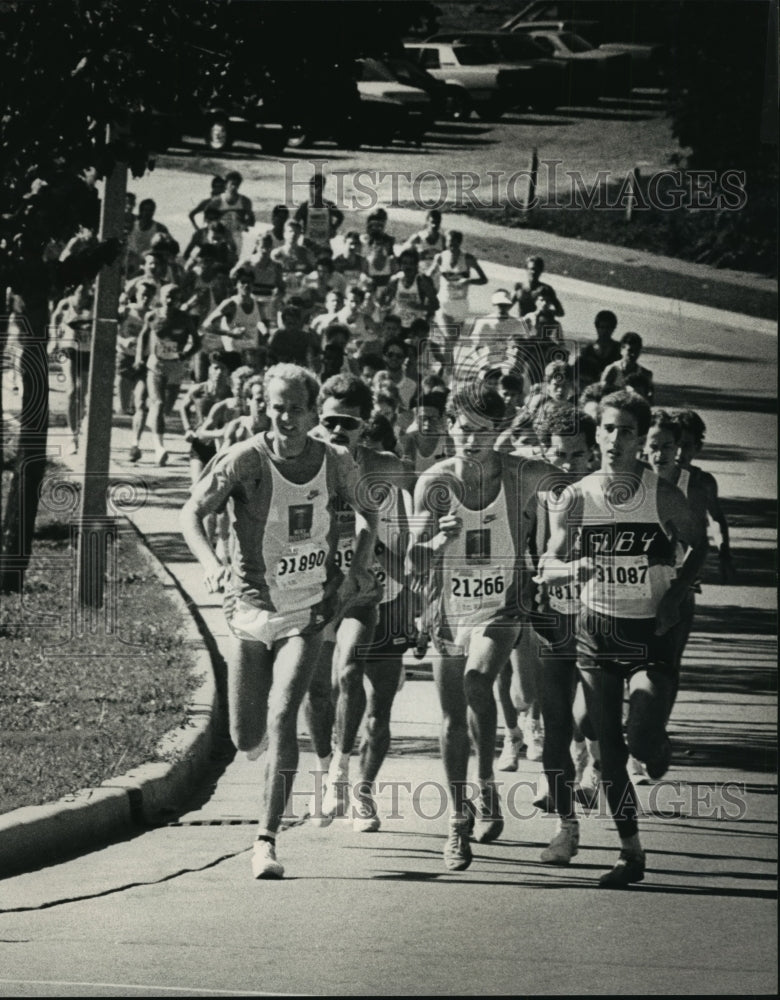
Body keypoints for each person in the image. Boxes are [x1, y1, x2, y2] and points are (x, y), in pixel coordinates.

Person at [180, 363, 378, 879]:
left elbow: (368, 514)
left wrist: (356, 568)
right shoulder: (246, 458)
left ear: (314, 412)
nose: (284, 416)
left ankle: (265, 841)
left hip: (306, 610)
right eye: (276, 406)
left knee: (284, 711)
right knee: (247, 737)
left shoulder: (334, 460)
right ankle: (262, 750)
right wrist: (211, 565)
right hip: (250, 608)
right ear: (263, 408)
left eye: (295, 407)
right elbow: (191, 514)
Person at [539, 390, 706, 887]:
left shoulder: (663, 494)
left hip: (651, 630)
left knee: (643, 733)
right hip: (597, 629)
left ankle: (656, 748)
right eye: (607, 429)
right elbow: (550, 560)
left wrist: (676, 593)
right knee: (608, 747)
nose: (614, 440)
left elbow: (699, 544)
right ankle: (630, 850)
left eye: (625, 431)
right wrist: (569, 568)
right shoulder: (576, 496)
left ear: (641, 438)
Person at [409, 381, 551, 871]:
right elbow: (412, 560)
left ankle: (486, 780)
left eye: (483, 431)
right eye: (463, 429)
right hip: (449, 612)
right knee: (452, 719)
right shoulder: (433, 482)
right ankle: (458, 817)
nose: (471, 440)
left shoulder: (522, 474)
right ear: (450, 426)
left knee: (478, 678)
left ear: (500, 430)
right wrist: (432, 543)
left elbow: (580, 487)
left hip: (503, 608)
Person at [306, 375, 411, 831]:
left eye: (346, 422)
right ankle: (328, 772)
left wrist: (409, 575)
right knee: (318, 690)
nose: (336, 429)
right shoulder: (306, 459)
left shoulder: (388, 467)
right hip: (323, 590)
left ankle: (360, 790)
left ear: (364, 424)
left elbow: (411, 529)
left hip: (381, 592)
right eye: (328, 419)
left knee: (374, 699)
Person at [527, 405, 600, 862]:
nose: (568, 466)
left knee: (586, 719)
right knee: (554, 725)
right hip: (552, 618)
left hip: (600, 622)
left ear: (593, 453)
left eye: (577, 456)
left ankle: (584, 753)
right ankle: (566, 828)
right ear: (544, 452)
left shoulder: (608, 494)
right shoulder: (535, 494)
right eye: (559, 455)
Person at [131, 283, 199, 466]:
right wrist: (139, 357)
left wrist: (185, 355)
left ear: (179, 300)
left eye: (174, 297)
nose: (169, 300)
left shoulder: (185, 318)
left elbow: (197, 342)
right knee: (159, 403)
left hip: (176, 367)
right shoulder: (152, 316)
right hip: (156, 365)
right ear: (161, 297)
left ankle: (154, 424)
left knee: (165, 410)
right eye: (167, 296)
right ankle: (159, 449)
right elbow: (143, 336)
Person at [673, 409, 736, 584]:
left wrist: (724, 553)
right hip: (657, 559)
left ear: (697, 448)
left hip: (690, 560)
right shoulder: (653, 478)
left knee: (684, 606)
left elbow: (715, 518)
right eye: (675, 444)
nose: (679, 453)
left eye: (686, 445)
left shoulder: (704, 483)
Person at [51, 283, 94, 454]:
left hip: (87, 350)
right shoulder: (66, 303)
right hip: (69, 348)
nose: (83, 297)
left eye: (86, 293)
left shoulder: (95, 303)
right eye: (80, 293)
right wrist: (53, 338)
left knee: (82, 394)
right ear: (74, 292)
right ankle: (72, 436)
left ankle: (79, 423)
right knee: (72, 389)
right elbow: (55, 317)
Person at [176, 352, 232, 483]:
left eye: (222, 369)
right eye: (215, 368)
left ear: (228, 372)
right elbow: (183, 407)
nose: (218, 372)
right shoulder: (198, 389)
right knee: (197, 487)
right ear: (209, 369)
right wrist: (188, 429)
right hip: (200, 444)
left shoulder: (231, 394)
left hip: (222, 446)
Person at [428, 230, 487, 344]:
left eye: (455, 243)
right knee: (448, 339)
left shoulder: (468, 259)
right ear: (446, 243)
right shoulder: (440, 257)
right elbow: (428, 275)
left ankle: (446, 361)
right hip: (444, 303)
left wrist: (469, 281)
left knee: (452, 342)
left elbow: (483, 279)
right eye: (450, 243)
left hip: (460, 305)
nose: (452, 246)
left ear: (460, 243)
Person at [203, 269, 266, 371]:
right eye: (242, 282)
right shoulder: (230, 304)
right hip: (233, 356)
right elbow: (206, 326)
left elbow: (260, 326)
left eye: (249, 282)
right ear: (236, 285)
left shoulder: (256, 303)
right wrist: (229, 333)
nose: (246, 285)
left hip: (251, 355)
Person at [115, 279, 156, 416]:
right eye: (143, 294)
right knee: (123, 406)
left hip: (144, 358)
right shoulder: (126, 311)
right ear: (137, 294)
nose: (145, 298)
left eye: (149, 295)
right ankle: (123, 413)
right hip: (125, 356)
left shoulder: (154, 315)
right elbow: (110, 332)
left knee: (141, 401)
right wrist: (123, 340)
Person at [380, 248, 439, 336]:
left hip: (416, 328)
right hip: (397, 327)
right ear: (400, 265)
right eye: (405, 263)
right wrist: (387, 305)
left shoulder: (422, 281)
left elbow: (435, 305)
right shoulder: (396, 280)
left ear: (416, 265)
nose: (408, 267)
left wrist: (420, 307)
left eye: (411, 263)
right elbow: (383, 299)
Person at [206, 170, 255, 256]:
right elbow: (207, 219)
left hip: (236, 235)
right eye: (232, 184)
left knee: (233, 260)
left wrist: (244, 224)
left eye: (237, 184)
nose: (234, 187)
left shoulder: (245, 201)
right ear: (226, 184)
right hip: (220, 235)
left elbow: (252, 221)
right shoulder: (217, 201)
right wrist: (216, 225)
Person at [294, 173, 344, 255]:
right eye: (315, 186)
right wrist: (301, 231)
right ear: (310, 187)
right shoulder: (305, 206)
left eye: (321, 186)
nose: (318, 189)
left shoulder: (329, 205)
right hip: (308, 243)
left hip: (324, 243)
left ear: (323, 187)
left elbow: (340, 216)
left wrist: (333, 228)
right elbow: (295, 221)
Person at [601, 331, 654, 402]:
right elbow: (600, 395)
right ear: (621, 350)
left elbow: (649, 402)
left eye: (637, 351)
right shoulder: (612, 370)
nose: (633, 354)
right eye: (630, 350)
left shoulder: (645, 374)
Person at [125, 199, 171, 276]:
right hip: (131, 263)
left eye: (151, 210)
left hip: (148, 265)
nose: (148, 213)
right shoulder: (132, 225)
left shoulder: (159, 228)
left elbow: (169, 247)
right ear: (141, 211)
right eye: (146, 210)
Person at [511, 255, 564, 320]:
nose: (533, 272)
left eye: (537, 270)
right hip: (522, 325)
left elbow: (560, 312)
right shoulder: (518, 287)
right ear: (526, 269)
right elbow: (506, 306)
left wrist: (546, 311)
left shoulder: (546, 289)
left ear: (541, 271)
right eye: (531, 269)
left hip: (538, 326)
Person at [577, 310, 621, 388]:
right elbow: (578, 374)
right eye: (602, 327)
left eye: (608, 328)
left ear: (613, 328)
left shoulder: (619, 349)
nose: (604, 331)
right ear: (597, 327)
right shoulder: (587, 350)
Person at [401, 209, 446, 273]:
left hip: (437, 275)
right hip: (420, 274)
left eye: (437, 223)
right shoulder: (418, 237)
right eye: (432, 222)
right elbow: (402, 253)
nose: (434, 225)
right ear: (427, 222)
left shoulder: (443, 240)